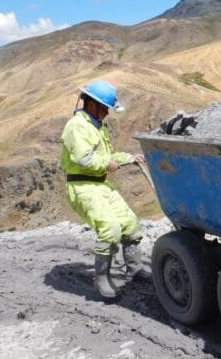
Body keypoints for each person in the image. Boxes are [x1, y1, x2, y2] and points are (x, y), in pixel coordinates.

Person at [60, 80, 148, 298]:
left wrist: (129, 158)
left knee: (130, 224)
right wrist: (107, 164)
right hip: (82, 186)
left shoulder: (95, 126)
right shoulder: (77, 126)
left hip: (100, 184)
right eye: (105, 108)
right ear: (92, 105)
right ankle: (101, 279)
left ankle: (134, 269)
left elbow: (107, 155)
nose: (107, 113)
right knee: (110, 229)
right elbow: (83, 158)